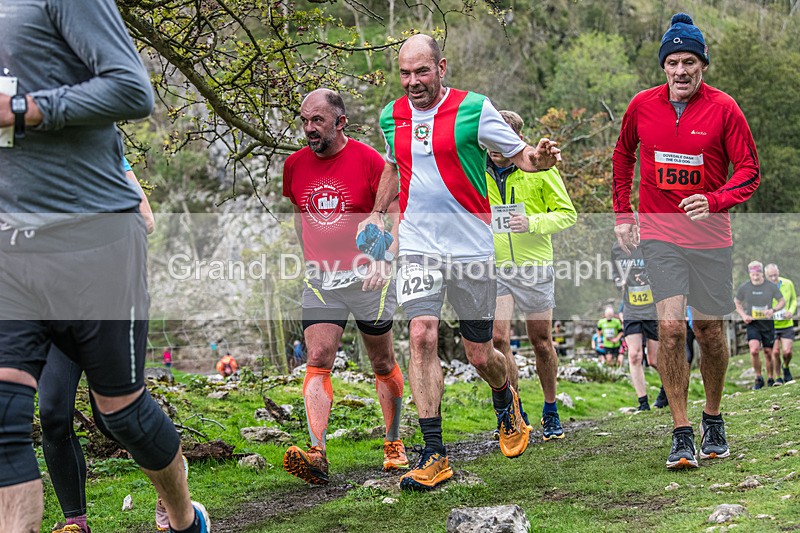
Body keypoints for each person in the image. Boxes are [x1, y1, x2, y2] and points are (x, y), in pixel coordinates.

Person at [0, 1, 210, 530]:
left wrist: (24, 108)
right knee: (9, 420)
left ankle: (185, 516)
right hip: (12, 249)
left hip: (94, 242)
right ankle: (75, 519)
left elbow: (132, 89)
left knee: (121, 414)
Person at [362, 34, 561, 491]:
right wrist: (376, 211)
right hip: (417, 245)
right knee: (420, 334)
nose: (413, 82)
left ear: (442, 67)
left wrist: (541, 158)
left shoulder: (475, 109)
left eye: (422, 72)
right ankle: (433, 452)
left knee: (479, 352)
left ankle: (504, 395)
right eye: (405, 73)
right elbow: (393, 166)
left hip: (472, 249)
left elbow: (520, 155)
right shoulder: (391, 116)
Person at [613, 12, 761, 470]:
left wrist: (715, 200)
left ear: (703, 65)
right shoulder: (642, 106)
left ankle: (712, 418)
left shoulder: (724, 108)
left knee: (710, 330)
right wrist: (623, 213)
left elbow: (750, 172)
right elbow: (623, 156)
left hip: (711, 239)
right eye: (673, 61)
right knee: (672, 328)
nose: (681, 70)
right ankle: (680, 431)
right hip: (659, 235)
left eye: (689, 62)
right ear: (663, 66)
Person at [281, 88, 408, 485]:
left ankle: (392, 441)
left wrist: (385, 260)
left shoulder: (370, 161)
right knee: (318, 355)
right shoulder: (294, 165)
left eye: (317, 120)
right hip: (322, 280)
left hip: (368, 277)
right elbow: (300, 216)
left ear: (340, 122)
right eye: (304, 120)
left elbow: (395, 215)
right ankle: (317, 451)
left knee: (382, 362)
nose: (309, 128)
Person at [485, 109, 576, 442]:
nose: (495, 147)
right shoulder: (477, 171)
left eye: (502, 139)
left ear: (517, 139)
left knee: (541, 341)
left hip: (534, 266)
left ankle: (550, 409)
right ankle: (515, 409)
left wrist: (534, 223)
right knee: (498, 338)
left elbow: (568, 214)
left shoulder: (539, 170)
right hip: (496, 267)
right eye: (490, 139)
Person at [612, 241, 663, 411]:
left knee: (654, 359)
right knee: (634, 355)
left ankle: (666, 389)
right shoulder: (617, 248)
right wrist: (619, 281)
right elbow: (615, 275)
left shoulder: (650, 244)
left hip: (652, 310)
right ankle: (643, 403)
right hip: (631, 309)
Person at [734, 261, 784, 389]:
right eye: (753, 275)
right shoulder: (745, 287)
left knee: (768, 352)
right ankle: (758, 378)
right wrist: (744, 316)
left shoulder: (770, 286)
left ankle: (771, 378)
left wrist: (773, 310)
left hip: (767, 324)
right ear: (749, 274)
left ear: (762, 273)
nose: (755, 277)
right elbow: (737, 303)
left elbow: (781, 301)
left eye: (757, 274)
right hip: (753, 323)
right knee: (754, 350)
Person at [765, 264, 796, 384]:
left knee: (787, 352)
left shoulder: (788, 283)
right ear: (766, 276)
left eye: (775, 275)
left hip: (786, 324)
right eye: (770, 276)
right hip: (771, 325)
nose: (773, 278)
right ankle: (778, 378)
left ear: (778, 272)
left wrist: (790, 312)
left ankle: (786, 367)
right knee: (776, 352)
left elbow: (793, 299)